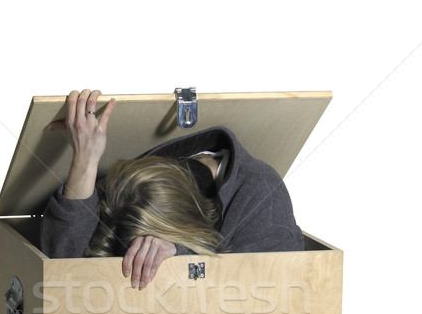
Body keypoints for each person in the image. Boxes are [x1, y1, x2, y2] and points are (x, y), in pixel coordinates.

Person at [41, 89, 305, 289]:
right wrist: (85, 162)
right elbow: (60, 277)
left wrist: (180, 255)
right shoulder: (135, 189)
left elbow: (258, 301)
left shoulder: (264, 201)